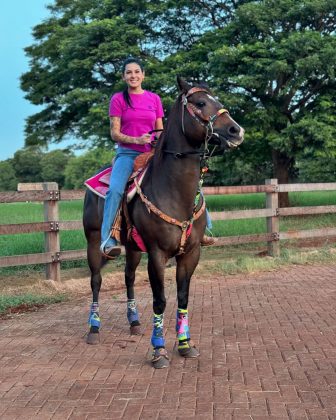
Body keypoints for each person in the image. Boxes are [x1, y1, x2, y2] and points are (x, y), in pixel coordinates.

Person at [100, 57, 215, 258]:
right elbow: (114, 133)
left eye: (137, 72)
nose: (133, 75)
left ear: (143, 75)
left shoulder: (154, 99)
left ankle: (204, 229)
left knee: (191, 182)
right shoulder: (118, 99)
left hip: (155, 153)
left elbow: (160, 130)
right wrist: (136, 139)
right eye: (129, 72)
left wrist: (161, 143)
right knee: (116, 190)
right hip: (128, 154)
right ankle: (108, 238)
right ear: (124, 77)